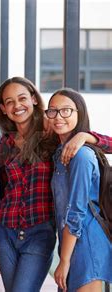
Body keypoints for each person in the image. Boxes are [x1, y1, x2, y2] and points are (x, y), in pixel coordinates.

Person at [0, 77, 111, 291]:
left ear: (34, 99)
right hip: (6, 230)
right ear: (3, 108)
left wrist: (85, 136)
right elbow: (0, 190)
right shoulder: (5, 142)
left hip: (40, 231)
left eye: (22, 98)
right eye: (9, 102)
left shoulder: (52, 136)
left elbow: (108, 144)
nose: (17, 105)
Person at [46, 88, 112, 291]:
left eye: (66, 110)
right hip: (71, 244)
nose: (58, 117)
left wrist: (63, 261)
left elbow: (76, 211)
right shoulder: (59, 152)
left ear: (79, 113)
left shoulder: (82, 156)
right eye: (53, 111)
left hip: (87, 244)